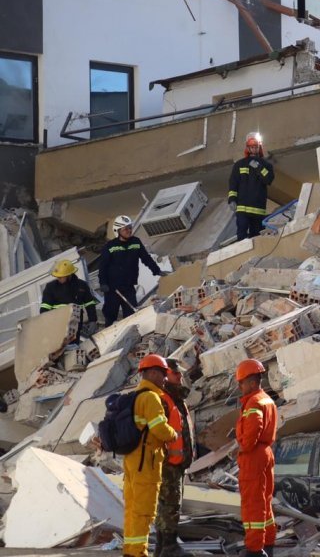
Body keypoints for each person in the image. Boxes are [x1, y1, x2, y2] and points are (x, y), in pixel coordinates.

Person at [123, 355, 177, 557]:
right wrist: (173, 434)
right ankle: (139, 552)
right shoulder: (151, 398)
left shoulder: (136, 396)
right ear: (152, 373)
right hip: (146, 461)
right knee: (144, 511)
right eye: (163, 374)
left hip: (132, 459)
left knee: (131, 508)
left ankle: (130, 550)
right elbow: (159, 429)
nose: (164, 379)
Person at [236, 359, 278, 557]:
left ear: (251, 382)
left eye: (241, 383)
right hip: (266, 453)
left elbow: (253, 429)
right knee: (265, 501)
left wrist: (244, 447)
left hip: (253, 456)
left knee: (253, 504)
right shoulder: (267, 399)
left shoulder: (253, 402)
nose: (240, 387)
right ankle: (268, 543)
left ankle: (254, 549)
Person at [154, 358, 195, 557]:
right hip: (167, 462)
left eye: (179, 373)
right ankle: (169, 547)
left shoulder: (176, 398)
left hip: (176, 462)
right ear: (165, 375)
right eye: (175, 373)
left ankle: (162, 547)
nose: (180, 376)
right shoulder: (163, 398)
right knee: (169, 505)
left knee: (169, 504)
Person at [98, 215, 163, 326]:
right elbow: (103, 266)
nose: (129, 231)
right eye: (125, 229)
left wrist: (156, 270)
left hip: (128, 287)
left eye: (130, 227)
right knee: (110, 315)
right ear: (118, 231)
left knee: (131, 315)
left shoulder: (136, 242)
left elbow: (146, 258)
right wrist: (103, 283)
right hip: (112, 289)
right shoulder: (110, 246)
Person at [229, 132, 275, 241]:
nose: (254, 149)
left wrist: (259, 168)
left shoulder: (266, 165)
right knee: (242, 235)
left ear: (259, 147)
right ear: (247, 148)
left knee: (257, 238)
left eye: (255, 147)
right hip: (242, 209)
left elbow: (268, 179)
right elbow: (233, 183)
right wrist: (232, 199)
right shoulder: (239, 164)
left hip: (258, 210)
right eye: (251, 147)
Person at [40, 258, 100, 337]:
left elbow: (89, 303)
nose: (58, 278)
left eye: (61, 277)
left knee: (74, 346)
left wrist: (93, 320)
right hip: (57, 325)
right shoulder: (51, 287)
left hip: (76, 324)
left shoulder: (82, 285)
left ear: (69, 275)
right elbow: (44, 307)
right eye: (57, 276)